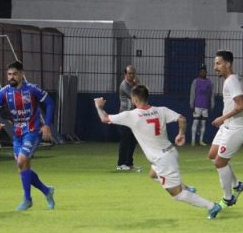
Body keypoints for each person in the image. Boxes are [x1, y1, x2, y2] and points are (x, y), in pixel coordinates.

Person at [95, 85, 222, 219]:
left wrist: (99, 107)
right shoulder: (161, 110)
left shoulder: (131, 115)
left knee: (177, 195)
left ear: (134, 99)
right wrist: (181, 134)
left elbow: (104, 118)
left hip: (163, 160)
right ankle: (187, 188)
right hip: (170, 152)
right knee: (153, 175)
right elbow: (182, 119)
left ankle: (212, 206)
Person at [0, 60, 55, 211]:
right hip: (17, 133)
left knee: (21, 162)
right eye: (9, 74)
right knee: (23, 168)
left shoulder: (32, 90)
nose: (11, 77)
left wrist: (47, 124)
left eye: (14, 74)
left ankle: (27, 199)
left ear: (22, 75)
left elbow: (50, 103)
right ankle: (47, 191)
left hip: (33, 131)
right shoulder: (4, 92)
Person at [210, 50, 243, 208]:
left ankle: (227, 198)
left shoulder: (231, 81)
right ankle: (237, 184)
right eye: (215, 64)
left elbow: (242, 105)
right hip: (228, 126)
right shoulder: (230, 80)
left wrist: (222, 117)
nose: (215, 67)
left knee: (220, 162)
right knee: (213, 155)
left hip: (236, 128)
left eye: (218, 63)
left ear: (228, 64)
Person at [115, 65, 139, 171]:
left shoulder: (133, 84)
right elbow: (135, 96)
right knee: (125, 139)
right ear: (125, 74)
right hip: (125, 115)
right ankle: (121, 164)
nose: (131, 75)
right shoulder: (124, 85)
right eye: (129, 73)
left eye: (133, 73)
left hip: (133, 115)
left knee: (133, 140)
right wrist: (137, 84)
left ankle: (129, 163)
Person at [189, 65, 214, 146]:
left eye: (204, 72)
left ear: (206, 73)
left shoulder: (210, 82)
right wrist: (191, 104)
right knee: (195, 122)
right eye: (201, 72)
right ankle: (193, 141)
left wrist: (212, 104)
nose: (203, 73)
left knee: (203, 123)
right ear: (199, 73)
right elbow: (192, 93)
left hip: (205, 106)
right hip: (197, 105)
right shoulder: (195, 81)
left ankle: (201, 140)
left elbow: (211, 94)